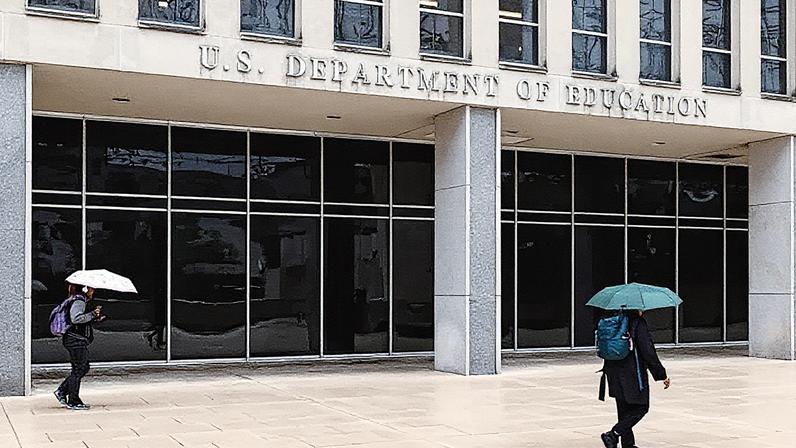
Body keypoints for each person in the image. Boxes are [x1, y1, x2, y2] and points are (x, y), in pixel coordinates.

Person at [600, 310, 671, 448]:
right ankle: (613, 434)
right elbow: (648, 351)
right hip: (632, 374)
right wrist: (661, 374)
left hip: (613, 372)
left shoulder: (614, 320)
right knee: (641, 407)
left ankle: (628, 444)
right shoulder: (637, 323)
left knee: (623, 409)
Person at [54, 284, 105, 410]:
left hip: (75, 339)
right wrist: (93, 314)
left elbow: (80, 321)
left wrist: (95, 318)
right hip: (75, 340)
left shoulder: (77, 299)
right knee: (79, 369)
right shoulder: (79, 300)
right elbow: (76, 319)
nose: (93, 291)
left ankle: (62, 390)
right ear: (85, 289)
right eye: (92, 288)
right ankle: (73, 400)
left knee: (83, 368)